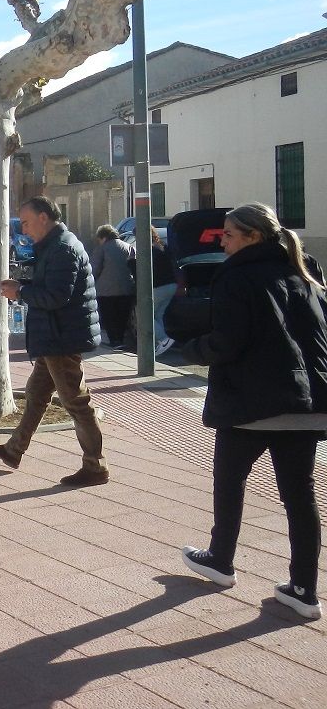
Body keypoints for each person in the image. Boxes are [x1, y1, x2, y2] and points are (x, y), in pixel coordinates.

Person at [177, 202, 325, 620]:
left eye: (228, 234)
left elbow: (228, 342)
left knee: (230, 480)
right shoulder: (305, 272)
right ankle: (304, 589)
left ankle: (220, 560)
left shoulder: (238, 276)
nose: (220, 241)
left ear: (252, 237)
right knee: (300, 495)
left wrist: (190, 349)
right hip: (308, 403)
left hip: (253, 401)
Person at [0, 196, 109, 487]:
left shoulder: (63, 248)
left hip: (61, 337)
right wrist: (24, 287)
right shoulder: (54, 245)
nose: (24, 230)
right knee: (36, 392)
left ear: (44, 217)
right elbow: (50, 289)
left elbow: (56, 297)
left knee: (76, 402)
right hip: (55, 335)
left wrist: (21, 292)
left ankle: (95, 466)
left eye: (27, 223)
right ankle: (14, 450)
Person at [90, 223, 136, 348]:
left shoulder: (102, 249)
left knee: (109, 317)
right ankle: (120, 339)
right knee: (122, 316)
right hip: (126, 289)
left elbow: (94, 269)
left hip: (106, 291)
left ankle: (114, 341)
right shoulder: (129, 247)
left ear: (103, 237)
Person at [148, 226, 178, 357]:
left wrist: (131, 263)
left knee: (146, 315)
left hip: (159, 286)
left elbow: (144, 271)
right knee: (158, 314)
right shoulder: (162, 246)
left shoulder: (148, 250)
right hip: (171, 284)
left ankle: (164, 339)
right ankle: (160, 343)